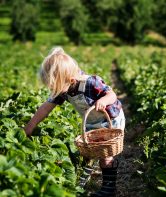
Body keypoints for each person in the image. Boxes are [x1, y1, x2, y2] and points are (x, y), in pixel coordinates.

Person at [24, 46, 125, 197]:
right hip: (91, 122)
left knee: (105, 154)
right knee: (88, 152)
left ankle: (108, 188)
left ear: (70, 80)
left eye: (55, 87)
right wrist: (30, 127)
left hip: (109, 121)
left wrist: (103, 100)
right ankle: (81, 183)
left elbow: (112, 94)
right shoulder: (63, 88)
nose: (54, 91)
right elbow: (46, 108)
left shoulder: (91, 82)